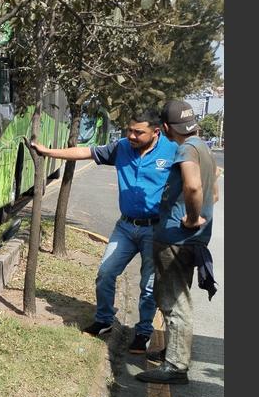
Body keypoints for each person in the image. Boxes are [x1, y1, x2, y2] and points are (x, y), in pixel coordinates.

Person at [31, 109, 178, 353]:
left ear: (156, 132)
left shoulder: (172, 151)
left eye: (138, 132)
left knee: (148, 285)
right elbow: (86, 152)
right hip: (126, 226)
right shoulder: (121, 147)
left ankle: (143, 333)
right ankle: (104, 320)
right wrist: (48, 152)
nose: (131, 135)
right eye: (129, 130)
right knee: (106, 272)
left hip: (156, 230)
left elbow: (200, 176)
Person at [136, 101, 218, 385]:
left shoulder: (186, 149)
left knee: (175, 301)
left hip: (177, 237)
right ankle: (174, 351)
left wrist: (193, 217)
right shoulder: (203, 146)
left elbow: (193, 185)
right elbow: (214, 185)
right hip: (188, 240)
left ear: (167, 128)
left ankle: (176, 365)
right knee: (172, 295)